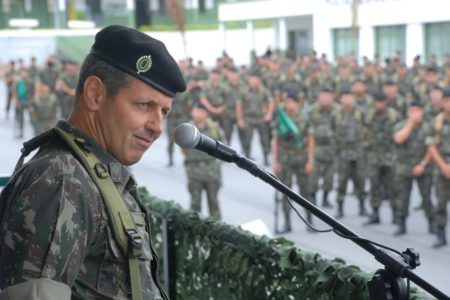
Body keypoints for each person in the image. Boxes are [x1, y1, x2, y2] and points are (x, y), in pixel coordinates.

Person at [0, 25, 186, 299]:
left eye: (164, 112)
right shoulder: (61, 181)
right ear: (95, 94)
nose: (157, 126)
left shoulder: (88, 171)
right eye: (144, 105)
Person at [272, 89, 315, 233]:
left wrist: (310, 160)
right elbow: (276, 141)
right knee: (286, 191)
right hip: (285, 160)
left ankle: (310, 220)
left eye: (292, 103)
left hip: (301, 158)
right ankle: (287, 222)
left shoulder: (304, 118)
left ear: (298, 104)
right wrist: (275, 161)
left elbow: (310, 140)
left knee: (306, 190)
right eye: (287, 102)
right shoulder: (281, 118)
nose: (290, 105)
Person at [392, 100, 433, 236]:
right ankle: (401, 223)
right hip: (404, 167)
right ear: (408, 113)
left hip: (423, 167)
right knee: (403, 197)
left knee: (426, 197)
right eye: (412, 112)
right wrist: (411, 124)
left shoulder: (428, 127)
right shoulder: (400, 125)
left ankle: (432, 224)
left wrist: (422, 164)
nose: (415, 115)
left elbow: (432, 148)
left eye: (417, 112)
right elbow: (399, 139)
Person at [183, 102, 224, 219]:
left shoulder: (214, 128)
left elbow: (223, 146)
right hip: (194, 172)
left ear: (206, 113)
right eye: (196, 111)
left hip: (212, 172)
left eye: (200, 111)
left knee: (214, 203)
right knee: (195, 204)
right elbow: (183, 149)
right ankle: (196, 232)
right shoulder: (188, 129)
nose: (198, 114)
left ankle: (217, 233)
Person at [364, 91, 399, 225]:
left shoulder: (393, 116)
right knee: (374, 186)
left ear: (386, 103)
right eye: (377, 102)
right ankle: (375, 213)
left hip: (390, 157)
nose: (379, 105)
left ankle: (396, 214)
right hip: (374, 157)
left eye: (381, 102)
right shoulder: (370, 116)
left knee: (392, 187)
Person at [333, 90, 367, 218]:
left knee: (361, 180)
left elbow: (368, 129)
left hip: (358, 152)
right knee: (342, 181)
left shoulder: (361, 113)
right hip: (343, 153)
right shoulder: (336, 115)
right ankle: (340, 207)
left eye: (350, 98)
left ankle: (362, 206)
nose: (348, 101)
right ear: (341, 100)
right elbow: (332, 132)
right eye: (345, 98)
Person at [427, 88, 450, 248]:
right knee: (440, 202)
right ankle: (440, 234)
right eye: (446, 101)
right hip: (441, 166)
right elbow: (431, 146)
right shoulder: (437, 121)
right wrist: (443, 165)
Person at [309, 87, 338, 208]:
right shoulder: (312, 111)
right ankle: (312, 199)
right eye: (323, 96)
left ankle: (326, 198)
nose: (326, 99)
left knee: (329, 178)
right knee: (313, 178)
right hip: (316, 147)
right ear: (319, 97)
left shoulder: (338, 111)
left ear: (333, 97)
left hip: (331, 149)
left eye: (328, 96)